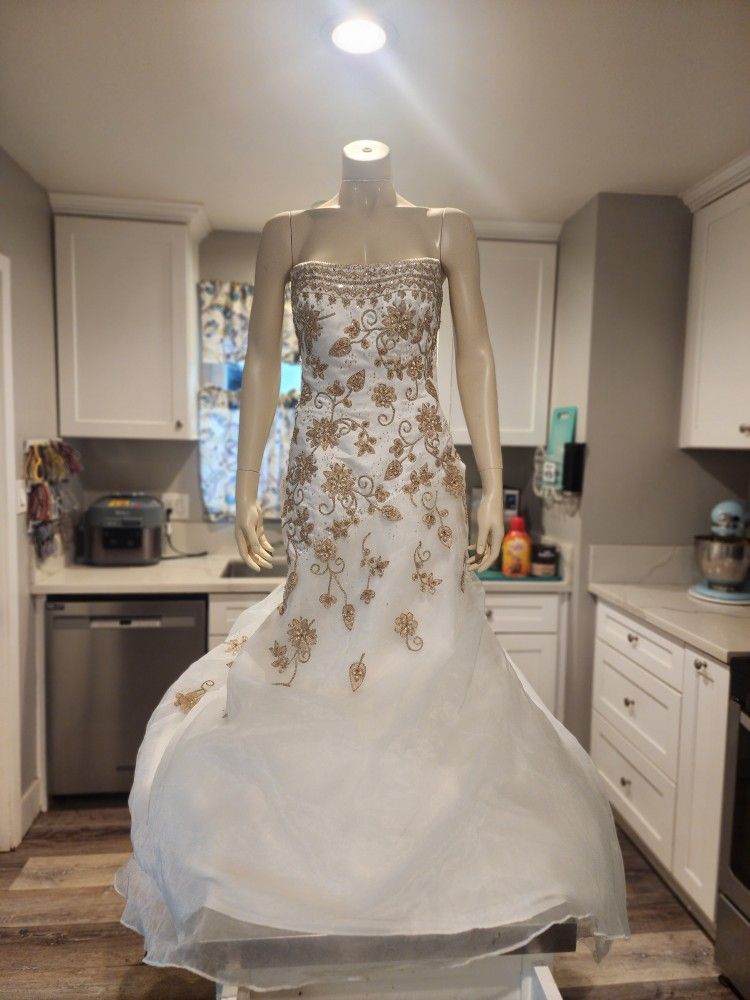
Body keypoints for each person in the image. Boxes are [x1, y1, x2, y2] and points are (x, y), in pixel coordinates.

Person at [115, 141, 630, 993]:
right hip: (323, 476)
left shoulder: (448, 227)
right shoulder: (285, 231)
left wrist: (491, 480)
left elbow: (475, 355)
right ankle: (321, 866)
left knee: (423, 654)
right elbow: (261, 364)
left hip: (420, 476)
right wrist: (245, 486)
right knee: (323, 651)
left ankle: (422, 859)